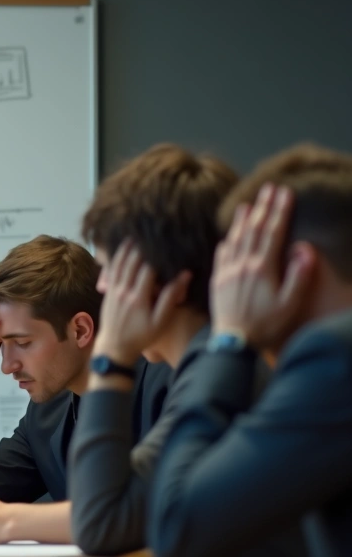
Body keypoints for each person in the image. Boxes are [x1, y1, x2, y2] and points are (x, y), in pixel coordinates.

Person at [149, 144, 352, 557]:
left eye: (240, 267)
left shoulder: (335, 355)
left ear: (298, 264)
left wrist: (229, 337)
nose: (224, 287)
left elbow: (178, 525)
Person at [0, 235, 172, 544]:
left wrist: (8, 522)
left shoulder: (166, 382)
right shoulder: (47, 414)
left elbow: (159, 508)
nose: (7, 365)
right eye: (3, 344)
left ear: (80, 330)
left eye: (23, 343)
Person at [67, 144, 240, 554]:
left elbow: (99, 525)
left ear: (157, 278)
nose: (103, 288)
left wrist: (110, 355)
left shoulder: (223, 373)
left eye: (110, 269)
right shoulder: (206, 366)